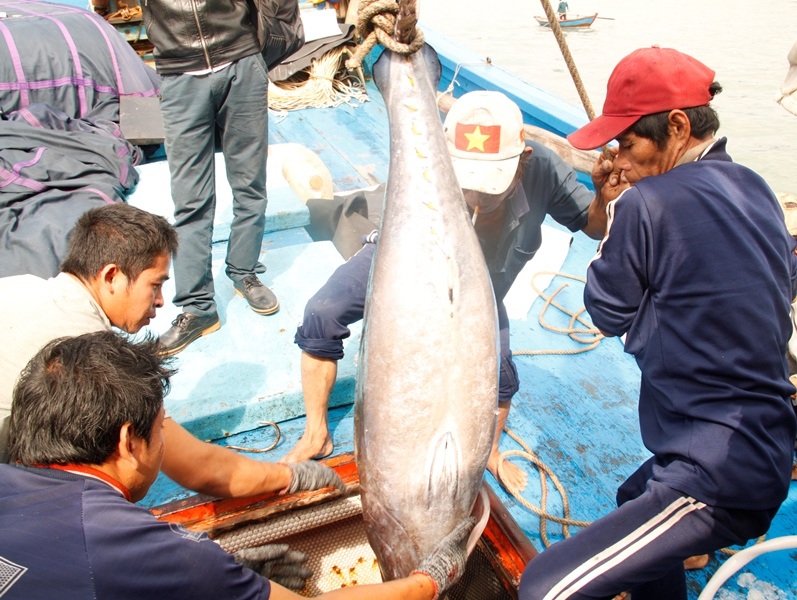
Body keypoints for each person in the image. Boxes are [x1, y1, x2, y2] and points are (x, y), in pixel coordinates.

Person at [517, 46, 797, 600]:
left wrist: (615, 204)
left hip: (717, 472)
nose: (619, 158)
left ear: (675, 125)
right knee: (632, 496)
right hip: (766, 440)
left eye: (626, 143)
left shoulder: (644, 204)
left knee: (543, 589)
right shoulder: (756, 186)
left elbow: (604, 311)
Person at [281, 91, 622, 493]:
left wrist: (604, 196)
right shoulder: (425, 169)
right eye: (468, 185)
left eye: (490, 187)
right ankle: (316, 432)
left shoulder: (544, 169)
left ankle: (489, 451)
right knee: (324, 310)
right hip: (410, 260)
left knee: (501, 377)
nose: (476, 199)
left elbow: (595, 226)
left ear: (523, 159)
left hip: (481, 289)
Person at [0, 331, 474, 599]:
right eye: (161, 429)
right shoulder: (123, 544)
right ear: (129, 440)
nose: (164, 442)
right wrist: (426, 581)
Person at [0, 203, 341, 500]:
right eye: (156, 284)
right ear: (112, 276)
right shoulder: (89, 359)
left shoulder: (17, 285)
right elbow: (199, 469)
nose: (161, 301)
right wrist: (292, 476)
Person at [140, 0, 279, 357]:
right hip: (180, 73)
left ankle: (243, 271)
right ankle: (197, 307)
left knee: (250, 185)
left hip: (241, 61)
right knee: (191, 201)